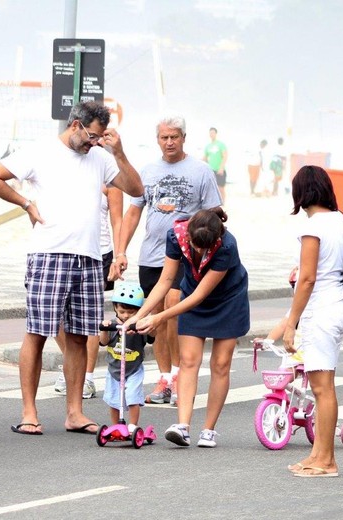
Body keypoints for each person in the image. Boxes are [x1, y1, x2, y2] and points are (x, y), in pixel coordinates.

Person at [0, 101, 144, 436]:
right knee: (38, 332)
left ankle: (74, 412)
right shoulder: (40, 151)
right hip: (48, 254)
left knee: (79, 338)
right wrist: (26, 203)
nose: (93, 143)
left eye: (99, 138)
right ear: (76, 126)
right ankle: (29, 412)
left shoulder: (100, 158)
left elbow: (137, 190)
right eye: (91, 137)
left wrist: (120, 153)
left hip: (89, 256)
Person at [110, 115, 222, 408]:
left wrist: (209, 254)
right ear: (157, 139)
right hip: (151, 256)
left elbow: (215, 216)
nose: (169, 142)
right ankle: (165, 379)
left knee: (172, 309)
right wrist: (121, 251)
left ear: (184, 137)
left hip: (187, 256)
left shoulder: (201, 171)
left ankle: (177, 375)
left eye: (174, 137)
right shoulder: (147, 171)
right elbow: (133, 213)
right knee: (153, 319)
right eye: (164, 138)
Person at [124, 208, 250, 448]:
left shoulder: (226, 246)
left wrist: (159, 318)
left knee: (221, 364)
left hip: (228, 300)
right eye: (195, 246)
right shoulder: (176, 235)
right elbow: (165, 280)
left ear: (217, 239)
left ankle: (208, 430)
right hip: (191, 295)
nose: (200, 252)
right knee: (188, 360)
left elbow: (202, 295)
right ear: (188, 235)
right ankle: (183, 426)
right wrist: (139, 315)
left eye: (205, 248)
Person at [284, 165, 343, 478]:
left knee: (322, 388)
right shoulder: (340, 220)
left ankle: (327, 460)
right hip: (338, 304)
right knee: (323, 386)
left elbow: (308, 278)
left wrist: (291, 322)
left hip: (321, 310)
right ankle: (317, 454)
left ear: (301, 192)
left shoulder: (313, 226)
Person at [53, 184, 123, 398]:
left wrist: (120, 255)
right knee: (55, 316)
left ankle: (87, 378)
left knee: (89, 318)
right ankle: (72, 367)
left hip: (98, 253)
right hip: (62, 249)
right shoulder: (65, 171)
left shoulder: (109, 180)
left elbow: (118, 219)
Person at [99, 281, 147, 433]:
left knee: (133, 397)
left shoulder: (139, 326)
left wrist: (142, 324)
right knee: (114, 400)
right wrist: (105, 328)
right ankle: (116, 426)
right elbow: (103, 342)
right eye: (122, 311)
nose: (126, 316)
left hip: (133, 369)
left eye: (131, 312)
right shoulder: (113, 325)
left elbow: (152, 336)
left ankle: (133, 425)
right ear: (115, 308)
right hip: (114, 370)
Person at [203, 127, 228, 202]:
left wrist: (221, 168)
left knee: (221, 188)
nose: (211, 134)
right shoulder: (208, 146)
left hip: (220, 170)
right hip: (211, 170)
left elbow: (225, 156)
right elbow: (205, 158)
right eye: (210, 133)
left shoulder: (221, 144)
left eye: (213, 133)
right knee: (212, 189)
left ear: (216, 134)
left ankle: (223, 204)